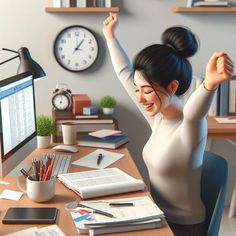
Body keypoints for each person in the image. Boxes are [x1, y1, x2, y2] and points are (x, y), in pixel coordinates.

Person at [102, 13, 234, 236]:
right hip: (156, 217)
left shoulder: (190, 128)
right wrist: (109, 36)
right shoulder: (158, 118)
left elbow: (194, 113)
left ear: (173, 87)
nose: (140, 98)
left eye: (146, 90)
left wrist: (210, 84)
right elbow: (124, 73)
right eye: (137, 89)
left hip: (184, 229)